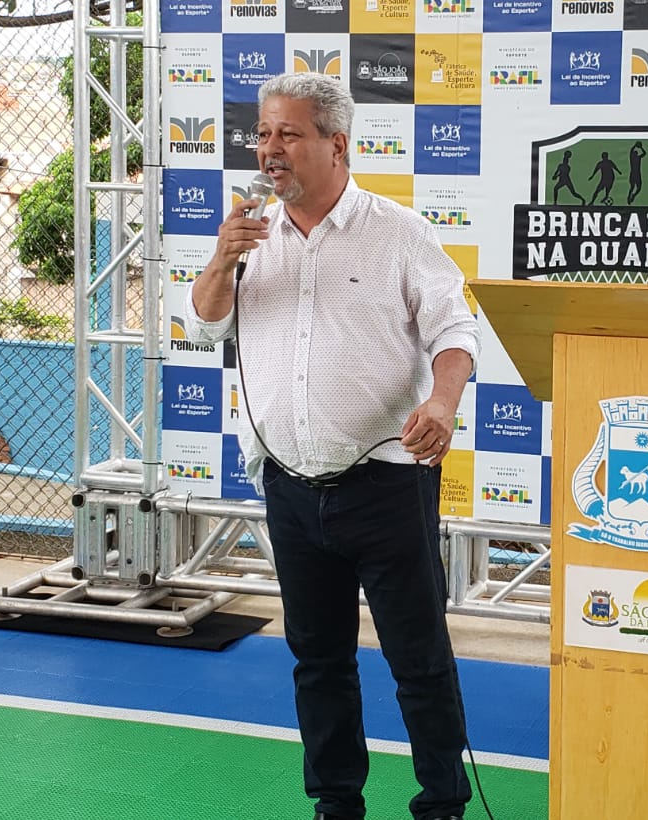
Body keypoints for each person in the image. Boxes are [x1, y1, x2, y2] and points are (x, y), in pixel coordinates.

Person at [186, 72, 477, 820]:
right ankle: (336, 804)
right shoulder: (249, 234)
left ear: (337, 144)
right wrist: (221, 259)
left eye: (288, 134)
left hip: (387, 486)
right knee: (318, 663)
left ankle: (443, 804)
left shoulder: (399, 232)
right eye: (262, 135)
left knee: (418, 660)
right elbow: (206, 326)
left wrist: (442, 402)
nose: (269, 150)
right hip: (290, 487)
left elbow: (455, 329)